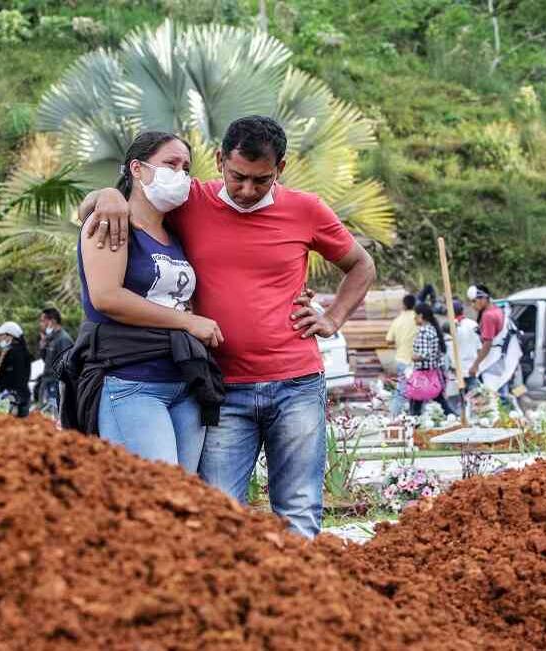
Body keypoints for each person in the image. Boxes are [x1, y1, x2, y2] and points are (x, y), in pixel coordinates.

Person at [82, 116, 376, 537]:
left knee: (299, 508)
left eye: (262, 180)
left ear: (282, 169)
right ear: (219, 160)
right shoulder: (190, 201)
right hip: (222, 387)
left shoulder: (306, 209)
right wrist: (107, 193)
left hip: (297, 383)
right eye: (238, 176)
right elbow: (136, 198)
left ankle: (302, 600)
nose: (247, 190)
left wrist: (332, 318)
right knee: (218, 513)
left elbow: (361, 265)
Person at [73, 131, 222, 472]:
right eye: (170, 163)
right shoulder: (111, 221)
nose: (180, 173)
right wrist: (188, 322)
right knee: (157, 493)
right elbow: (106, 297)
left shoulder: (177, 234)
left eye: (186, 167)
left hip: (185, 380)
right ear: (137, 169)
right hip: (131, 381)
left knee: (185, 497)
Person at [467, 284, 522, 393]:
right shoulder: (497, 310)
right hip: (503, 359)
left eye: (474, 301)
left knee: (492, 397)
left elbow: (487, 344)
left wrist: (475, 365)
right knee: (502, 393)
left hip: (493, 361)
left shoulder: (488, 316)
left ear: (483, 299)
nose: (472, 305)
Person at [407, 304, 450, 416]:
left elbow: (424, 354)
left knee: (415, 403)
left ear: (420, 316)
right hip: (433, 372)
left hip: (423, 374)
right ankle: (454, 418)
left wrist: (414, 357)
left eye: (415, 315)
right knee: (440, 402)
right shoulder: (432, 329)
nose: (414, 318)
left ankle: (413, 426)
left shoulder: (423, 332)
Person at [385, 293, 419, 417]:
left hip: (401, 360)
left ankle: (392, 417)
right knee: (418, 392)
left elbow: (388, 340)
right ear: (415, 305)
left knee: (401, 392)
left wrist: (399, 341)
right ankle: (415, 417)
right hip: (416, 361)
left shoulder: (397, 320)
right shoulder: (418, 319)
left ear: (403, 305)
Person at [37, 307, 73, 415]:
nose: (41, 324)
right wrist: (43, 346)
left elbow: (66, 366)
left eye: (43, 321)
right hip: (47, 381)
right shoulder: (51, 338)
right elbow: (46, 360)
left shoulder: (63, 338)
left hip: (55, 383)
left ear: (52, 321)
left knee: (55, 416)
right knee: (45, 414)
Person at [0, 321, 32, 418]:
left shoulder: (12, 352)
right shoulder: (24, 351)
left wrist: (11, 397)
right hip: (22, 397)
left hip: (12, 399)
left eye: (1, 335)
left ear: (10, 336)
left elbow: (15, 378)